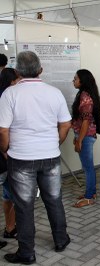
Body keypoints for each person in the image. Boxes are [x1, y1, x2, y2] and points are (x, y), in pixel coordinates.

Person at [0, 51, 71, 264]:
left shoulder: (10, 94)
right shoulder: (54, 92)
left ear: (17, 71)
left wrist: (5, 149)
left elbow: (3, 130)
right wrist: (54, 143)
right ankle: (61, 239)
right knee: (54, 200)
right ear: (40, 70)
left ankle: (27, 252)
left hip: (20, 158)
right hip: (50, 157)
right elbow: (66, 124)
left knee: (24, 205)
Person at [71, 69, 100, 207]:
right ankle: (91, 192)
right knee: (87, 167)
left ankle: (89, 197)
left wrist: (80, 140)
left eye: (76, 78)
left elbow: (85, 122)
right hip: (85, 135)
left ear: (82, 81)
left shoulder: (85, 97)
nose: (74, 80)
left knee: (88, 167)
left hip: (86, 136)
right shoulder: (84, 94)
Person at [0, 68, 19, 248]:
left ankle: (10, 228)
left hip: (7, 156)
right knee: (8, 193)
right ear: (12, 81)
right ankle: (9, 227)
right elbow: (3, 130)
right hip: (4, 156)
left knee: (9, 194)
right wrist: (6, 151)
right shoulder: (6, 97)